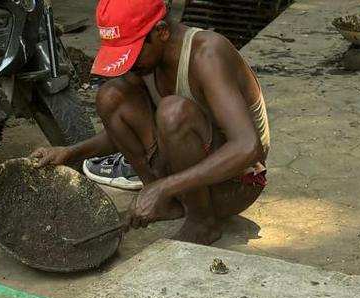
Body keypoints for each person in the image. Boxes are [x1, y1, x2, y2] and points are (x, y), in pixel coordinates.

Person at [30, 0, 270, 246]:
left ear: (161, 31)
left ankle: (202, 222)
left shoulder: (208, 54)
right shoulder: (149, 62)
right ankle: (166, 206)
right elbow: (124, 133)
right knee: (112, 96)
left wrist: (164, 187)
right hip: (186, 175)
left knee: (172, 112)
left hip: (236, 185)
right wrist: (70, 153)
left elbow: (248, 147)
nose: (129, 65)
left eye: (132, 53)